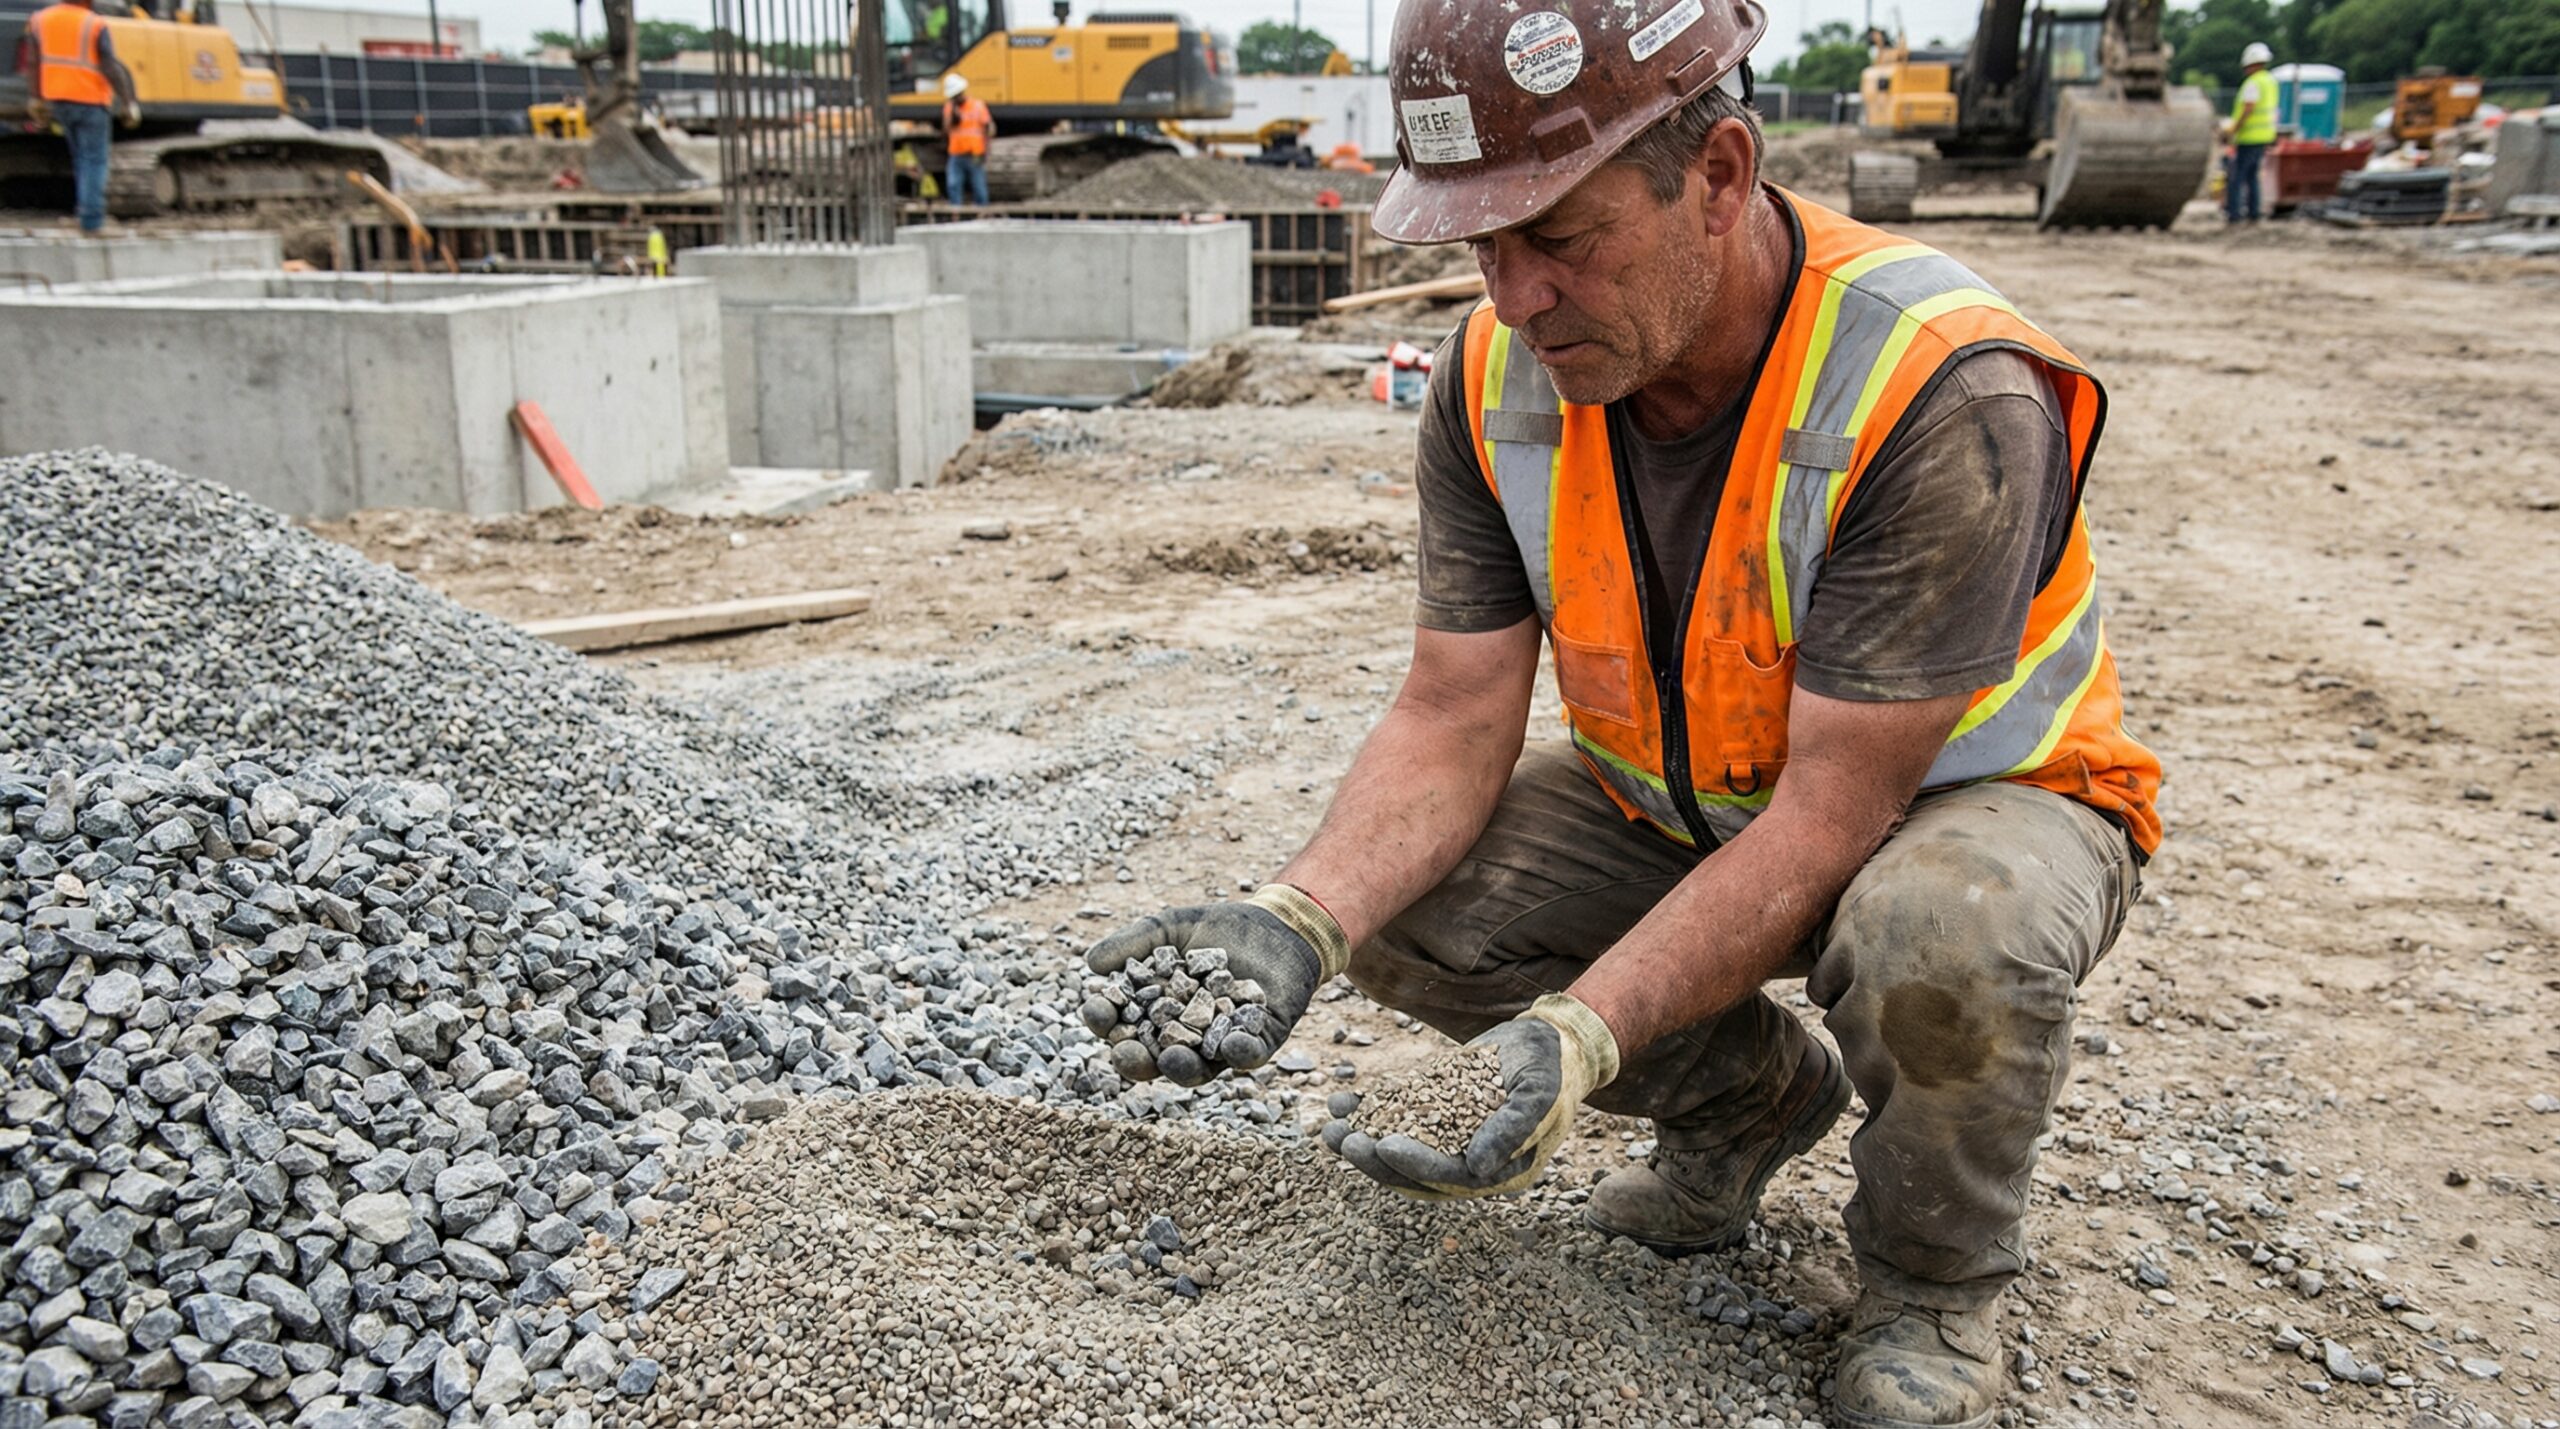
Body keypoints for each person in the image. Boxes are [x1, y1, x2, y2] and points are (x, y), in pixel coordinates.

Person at [1081, 1, 2161, 1425]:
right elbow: (1454, 711)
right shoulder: (1490, 377)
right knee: (1405, 901)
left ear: (1718, 175)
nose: (1514, 298)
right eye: (1480, 246)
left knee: (1938, 930)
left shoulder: (1938, 387)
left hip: (1969, 805)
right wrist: (1297, 915)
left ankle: (1930, 1287)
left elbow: (1837, 812)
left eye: (1561, 239)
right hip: (1694, 802)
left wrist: (1583, 1030)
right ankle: (1745, 1103)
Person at [15, 0, 139, 235]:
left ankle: (83, 213)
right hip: (91, 101)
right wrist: (128, 101)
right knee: (94, 160)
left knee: (81, 159)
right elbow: (109, 65)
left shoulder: (39, 20)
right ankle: (92, 221)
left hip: (59, 101)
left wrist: (35, 98)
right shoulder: (93, 23)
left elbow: (33, 62)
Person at [2226, 42, 2279, 224]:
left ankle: (2234, 214)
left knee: (2236, 177)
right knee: (2252, 177)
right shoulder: (2270, 81)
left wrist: (2233, 128)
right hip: (2265, 135)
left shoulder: (2253, 83)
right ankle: (2254, 213)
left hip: (2249, 137)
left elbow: (2248, 108)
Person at [941, 71, 991, 207]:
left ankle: (982, 211)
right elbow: (946, 129)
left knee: (978, 186)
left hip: (974, 153)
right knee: (953, 184)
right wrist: (953, 116)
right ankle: (955, 213)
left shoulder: (977, 105)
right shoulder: (949, 107)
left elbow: (987, 129)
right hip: (956, 153)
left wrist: (986, 150)